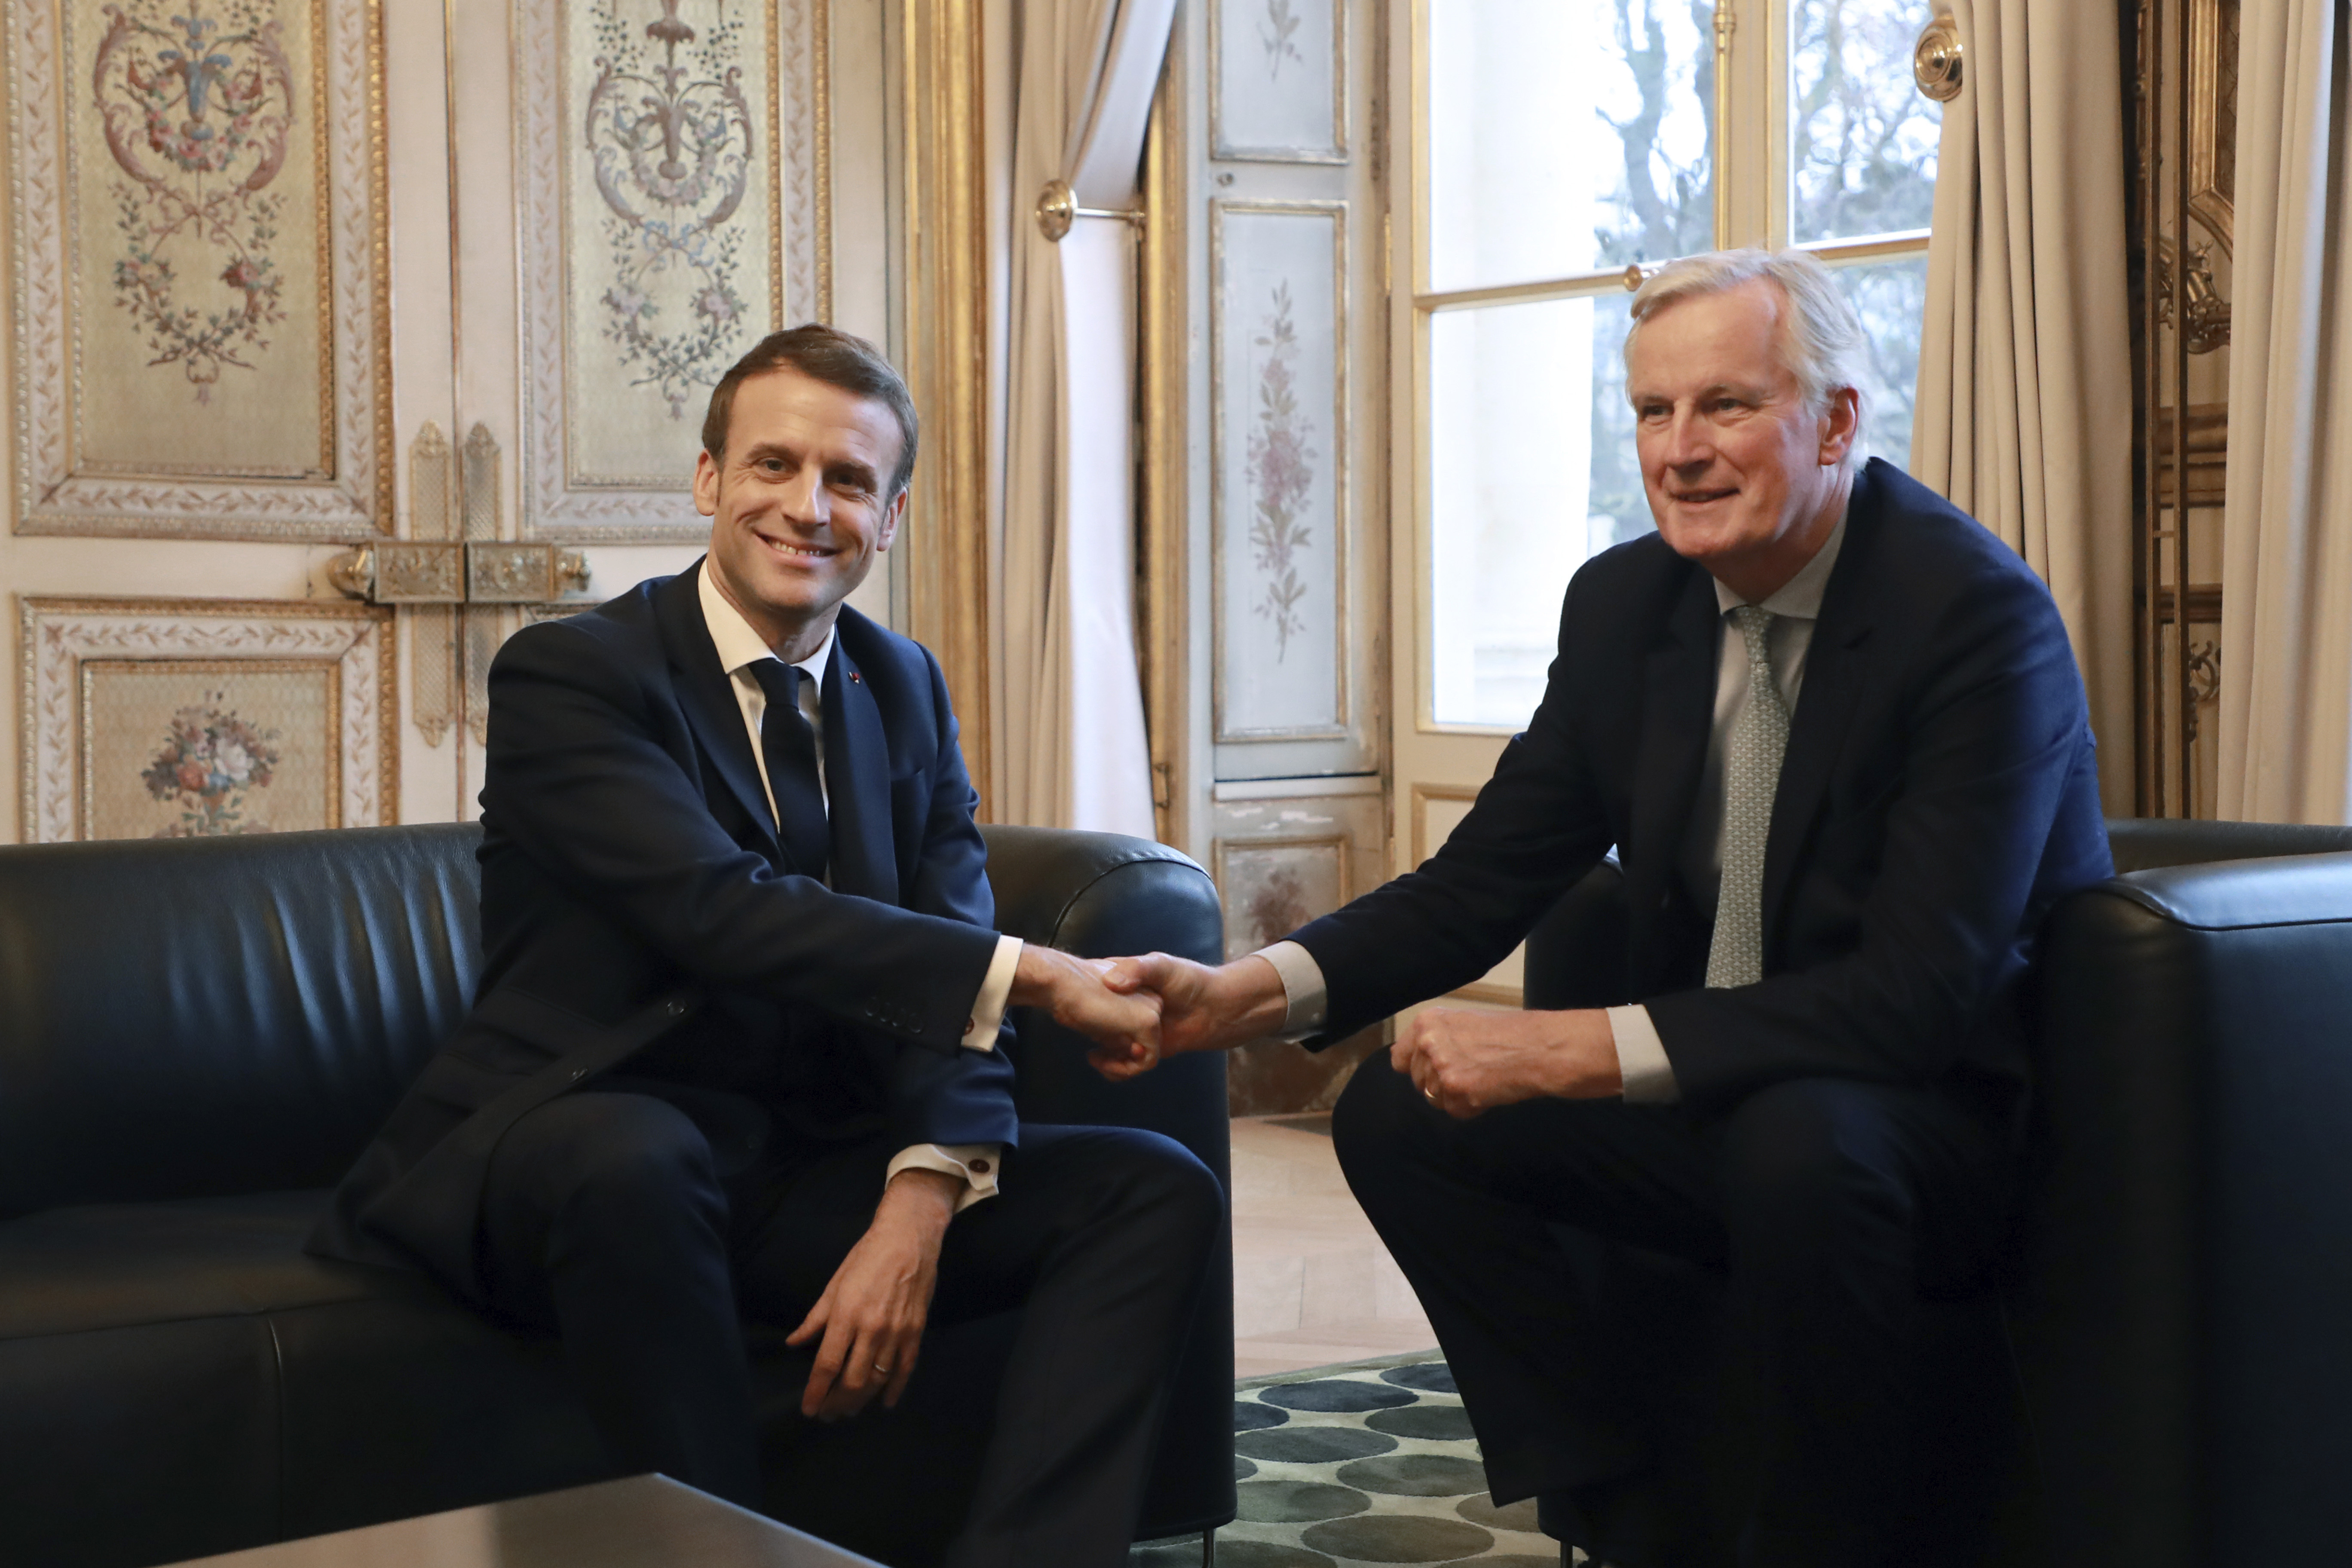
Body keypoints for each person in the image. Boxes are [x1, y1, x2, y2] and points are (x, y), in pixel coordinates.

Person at [1099, 250, 2112, 1568]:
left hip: (1936, 1120)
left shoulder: (1974, 620)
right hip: (1728, 1097)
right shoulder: (1628, 603)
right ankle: (1625, 1505)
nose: (1680, 452)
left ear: (1838, 422)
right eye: (1652, 413)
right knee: (1401, 1114)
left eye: (1727, 408)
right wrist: (1246, 995)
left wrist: (1572, 1047)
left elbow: (1917, 997)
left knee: (1798, 1145)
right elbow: (1484, 879)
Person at [312, 325, 1222, 1568]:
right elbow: (719, 909)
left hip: (799, 1164)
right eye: (774, 466)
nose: (807, 507)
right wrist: (1044, 977)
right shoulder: (574, 674)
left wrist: (917, 1202)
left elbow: (942, 936)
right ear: (709, 483)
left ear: (888, 519)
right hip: (583, 1142)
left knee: (1152, 1184)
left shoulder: (902, 685)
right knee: (636, 1154)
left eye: (848, 481)